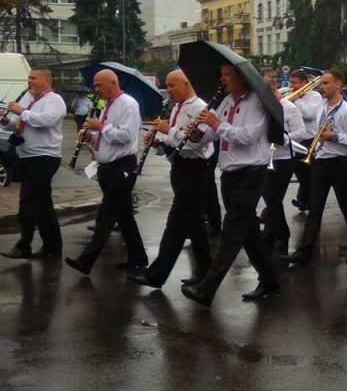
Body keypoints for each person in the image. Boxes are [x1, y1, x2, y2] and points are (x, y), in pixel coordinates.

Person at [181, 64, 280, 306]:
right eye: (221, 74)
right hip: (229, 174)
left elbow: (247, 136)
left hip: (252, 173)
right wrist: (198, 133)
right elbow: (214, 135)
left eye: (227, 75)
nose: (222, 79)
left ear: (242, 78)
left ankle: (207, 289)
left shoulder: (257, 103)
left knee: (232, 232)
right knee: (249, 233)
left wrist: (216, 124)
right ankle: (270, 281)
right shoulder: (225, 102)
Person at [128, 70, 213, 290]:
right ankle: (205, 271)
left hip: (195, 168)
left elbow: (196, 144)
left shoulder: (200, 107)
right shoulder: (177, 107)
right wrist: (157, 140)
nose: (169, 90)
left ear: (186, 84)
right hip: (179, 167)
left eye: (172, 85)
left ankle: (156, 275)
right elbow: (173, 142)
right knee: (195, 225)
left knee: (175, 224)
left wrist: (169, 130)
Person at [65, 70, 147, 275]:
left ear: (113, 83)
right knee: (125, 216)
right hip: (107, 168)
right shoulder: (106, 105)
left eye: (99, 85)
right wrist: (89, 137)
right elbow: (105, 137)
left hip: (122, 168)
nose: (96, 89)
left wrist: (100, 126)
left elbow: (126, 136)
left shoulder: (128, 104)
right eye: (95, 85)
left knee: (106, 215)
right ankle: (138, 256)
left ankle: (86, 260)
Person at [286, 69, 347, 266]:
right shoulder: (322, 107)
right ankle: (305, 251)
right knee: (315, 208)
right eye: (322, 84)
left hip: (340, 164)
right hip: (321, 162)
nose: (322, 87)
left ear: (338, 85)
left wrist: (335, 136)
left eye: (326, 83)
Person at [0, 68, 66, 260]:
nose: (30, 81)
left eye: (34, 78)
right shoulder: (30, 100)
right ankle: (53, 245)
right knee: (43, 202)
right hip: (27, 156)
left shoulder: (54, 100)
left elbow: (46, 121)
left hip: (44, 156)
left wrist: (22, 111)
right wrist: (6, 121)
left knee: (28, 200)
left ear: (46, 80)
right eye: (28, 78)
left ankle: (24, 245)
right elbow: (20, 124)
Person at [261, 78, 307, 257]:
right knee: (270, 200)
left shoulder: (288, 107)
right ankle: (273, 235)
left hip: (283, 159)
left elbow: (301, 132)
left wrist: (283, 138)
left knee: (273, 199)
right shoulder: (263, 107)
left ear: (272, 90)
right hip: (265, 158)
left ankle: (280, 236)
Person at [288, 69, 323, 211]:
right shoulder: (290, 95)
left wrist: (297, 100)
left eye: (295, 83)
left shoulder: (315, 96)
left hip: (310, 138)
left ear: (304, 82)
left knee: (310, 172)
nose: (292, 86)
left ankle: (308, 201)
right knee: (300, 172)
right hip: (296, 138)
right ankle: (303, 200)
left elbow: (310, 114)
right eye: (291, 82)